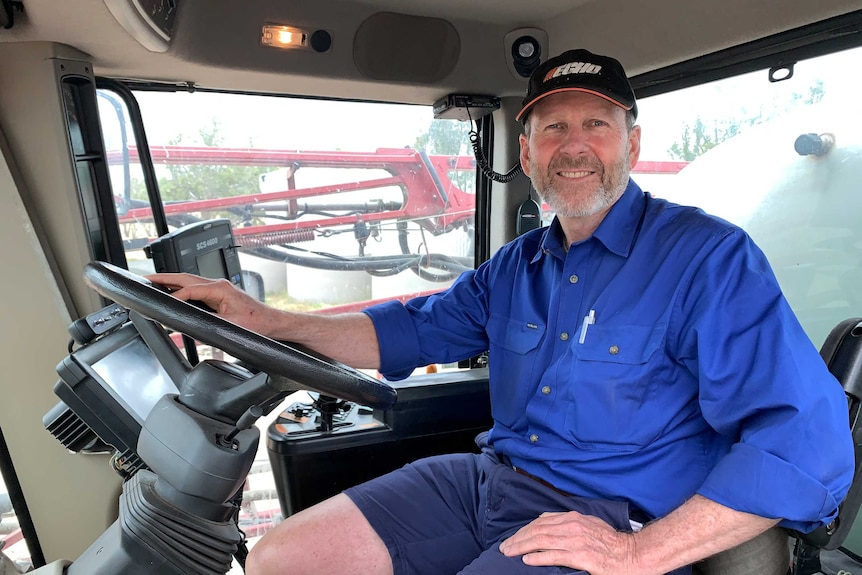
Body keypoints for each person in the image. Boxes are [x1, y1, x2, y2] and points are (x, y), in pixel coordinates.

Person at [150, 49, 855, 575]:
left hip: (606, 516)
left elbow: (809, 442)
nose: (573, 145)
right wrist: (266, 319)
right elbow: (408, 329)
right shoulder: (519, 265)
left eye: (595, 125)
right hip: (486, 481)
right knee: (281, 558)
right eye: (551, 129)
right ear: (527, 151)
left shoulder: (708, 260)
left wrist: (636, 552)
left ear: (632, 144)